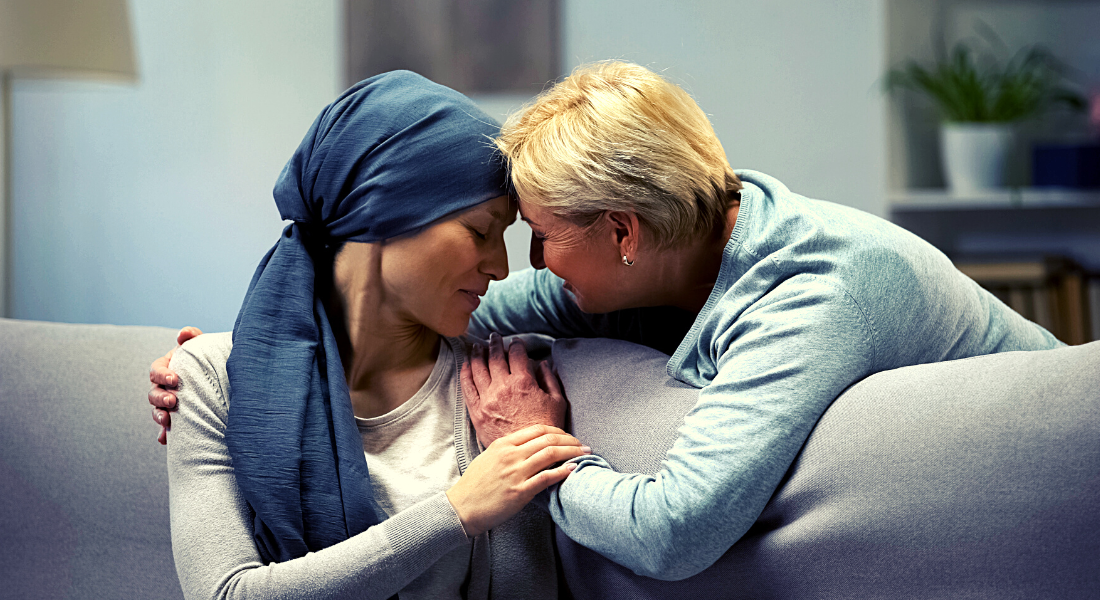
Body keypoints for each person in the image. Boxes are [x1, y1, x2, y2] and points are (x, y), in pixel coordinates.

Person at [151, 61, 1063, 584]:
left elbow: (672, 532)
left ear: (623, 231)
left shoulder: (817, 291)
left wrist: (545, 449)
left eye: (538, 237)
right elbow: (432, 309)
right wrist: (251, 356)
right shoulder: (661, 259)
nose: (523, 266)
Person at [161, 70, 587, 600]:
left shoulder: (501, 392)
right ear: (382, 208)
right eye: (481, 231)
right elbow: (225, 594)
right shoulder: (210, 379)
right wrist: (456, 513)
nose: (501, 266)